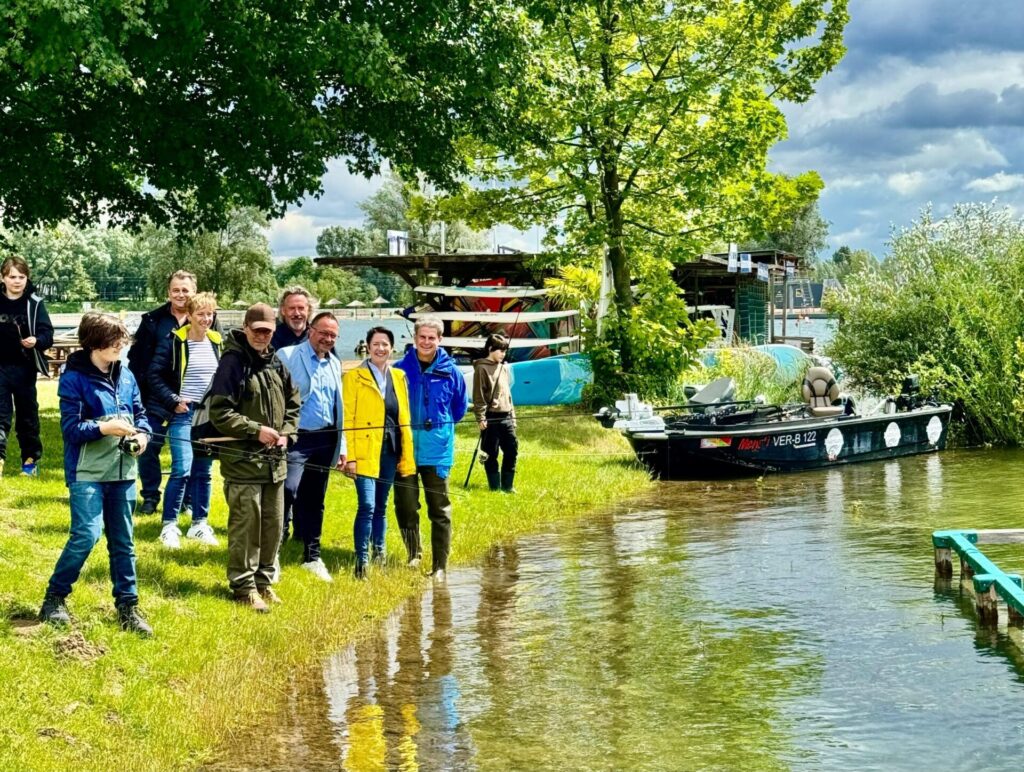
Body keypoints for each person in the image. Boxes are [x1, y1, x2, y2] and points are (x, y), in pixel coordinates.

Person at [39, 312, 153, 636]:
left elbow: (142, 416)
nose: (121, 344)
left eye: (122, 339)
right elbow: (71, 429)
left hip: (124, 473)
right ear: (94, 342)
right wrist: (106, 427)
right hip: (86, 473)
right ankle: (54, 599)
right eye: (114, 339)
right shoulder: (73, 378)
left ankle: (128, 607)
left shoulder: (127, 376)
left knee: (123, 542)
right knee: (87, 535)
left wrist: (143, 436)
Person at [208, 303, 300, 612]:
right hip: (243, 462)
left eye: (268, 331)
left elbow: (293, 402)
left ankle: (264, 581)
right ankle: (243, 586)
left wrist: (287, 432)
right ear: (246, 328)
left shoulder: (275, 362)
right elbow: (219, 411)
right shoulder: (232, 363)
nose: (262, 336)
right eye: (257, 330)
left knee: (272, 526)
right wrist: (254, 430)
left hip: (275, 463)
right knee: (246, 526)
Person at [128, 270, 220, 515]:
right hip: (156, 397)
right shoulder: (153, 321)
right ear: (168, 292)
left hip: (193, 403)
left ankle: (187, 500)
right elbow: (137, 361)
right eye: (176, 290)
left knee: (193, 452)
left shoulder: (207, 320)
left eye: (185, 290)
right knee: (148, 446)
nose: (180, 294)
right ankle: (150, 496)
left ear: (193, 293)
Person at [393, 316, 467, 582]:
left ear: (440, 340)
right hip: (405, 450)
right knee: (406, 505)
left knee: (440, 508)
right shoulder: (399, 370)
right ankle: (414, 553)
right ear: (415, 339)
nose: (426, 342)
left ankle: (440, 566)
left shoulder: (452, 373)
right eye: (422, 337)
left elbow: (458, 409)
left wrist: (439, 430)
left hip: (437, 451)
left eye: (431, 338)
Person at [147, 292, 222, 549]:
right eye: (200, 314)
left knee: (205, 471)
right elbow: (153, 375)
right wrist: (173, 400)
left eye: (209, 314)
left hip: (208, 416)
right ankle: (169, 525)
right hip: (183, 413)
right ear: (189, 315)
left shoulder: (216, 341)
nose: (206, 319)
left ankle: (199, 524)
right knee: (182, 467)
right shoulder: (174, 341)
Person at [275, 311, 346, 582]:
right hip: (295, 438)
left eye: (332, 335)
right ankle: (273, 556)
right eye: (323, 333)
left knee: (315, 499)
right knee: (288, 490)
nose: (327, 339)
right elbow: (276, 397)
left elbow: (339, 409)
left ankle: (312, 557)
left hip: (325, 439)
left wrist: (343, 447)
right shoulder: (287, 355)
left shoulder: (335, 364)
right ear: (310, 330)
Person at [342, 327, 415, 579]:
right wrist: (349, 456)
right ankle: (361, 561)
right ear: (368, 346)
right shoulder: (354, 377)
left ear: (391, 348)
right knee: (367, 505)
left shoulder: (399, 376)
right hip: (363, 450)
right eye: (376, 344)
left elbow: (403, 415)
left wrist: (406, 452)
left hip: (390, 450)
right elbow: (348, 419)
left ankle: (379, 555)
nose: (380, 348)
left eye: (385, 344)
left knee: (381, 506)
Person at [0, 255, 53, 477]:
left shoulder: (35, 303)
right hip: (0, 368)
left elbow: (47, 335)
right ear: (2, 277)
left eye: (21, 277)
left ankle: (30, 462)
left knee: (27, 417)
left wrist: (36, 341)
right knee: (0, 416)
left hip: (25, 369)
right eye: (12, 277)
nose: (17, 281)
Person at [472, 334, 518, 493]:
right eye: (500, 351)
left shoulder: (504, 367)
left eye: (505, 351)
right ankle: (495, 487)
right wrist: (480, 417)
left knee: (512, 450)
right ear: (490, 349)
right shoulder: (481, 368)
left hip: (507, 417)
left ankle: (508, 486)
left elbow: (508, 394)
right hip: (491, 417)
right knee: (491, 453)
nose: (503, 354)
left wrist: (513, 416)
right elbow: (478, 395)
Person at [271, 286, 316, 351]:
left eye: (301, 308)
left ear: (309, 310)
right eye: (292, 308)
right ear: (283, 310)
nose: (297, 313)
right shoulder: (272, 338)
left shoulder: (317, 337)